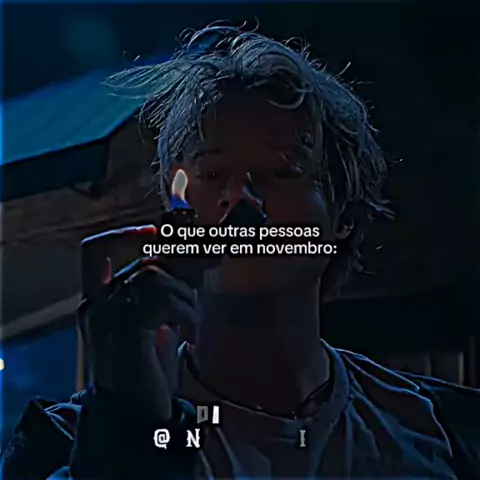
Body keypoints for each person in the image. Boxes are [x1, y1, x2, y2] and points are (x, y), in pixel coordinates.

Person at [2, 25, 479, 480]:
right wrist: (127, 419)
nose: (244, 200)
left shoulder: (446, 431)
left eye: (283, 171)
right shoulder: (65, 447)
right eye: (212, 175)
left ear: (342, 217)